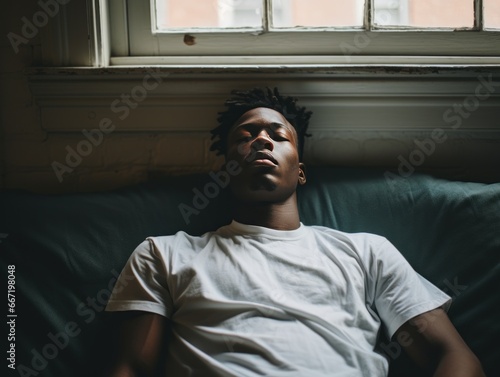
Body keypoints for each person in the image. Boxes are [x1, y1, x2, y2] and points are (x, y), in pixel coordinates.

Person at [104, 88, 484, 376]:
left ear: (300, 171)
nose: (262, 140)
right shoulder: (164, 254)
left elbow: (453, 354)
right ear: (225, 173)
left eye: (278, 135)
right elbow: (131, 368)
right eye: (245, 136)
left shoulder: (367, 252)